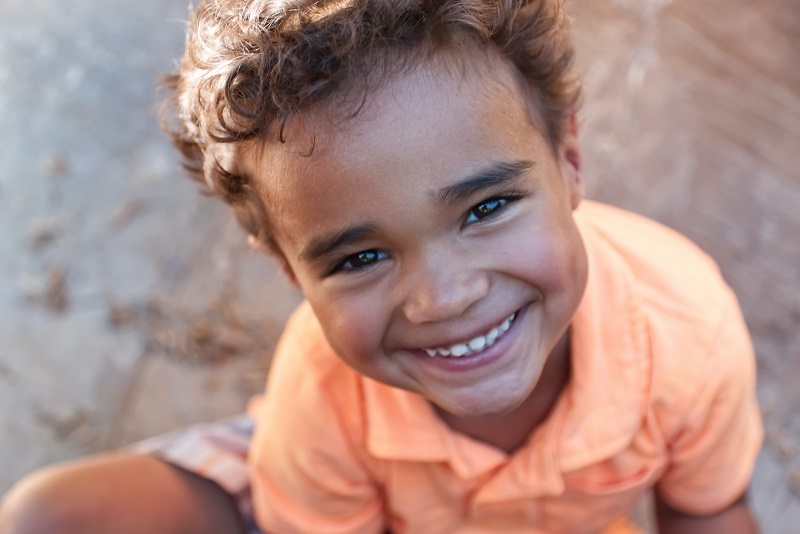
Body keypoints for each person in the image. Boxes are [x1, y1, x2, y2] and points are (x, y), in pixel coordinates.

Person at [0, 0, 763, 532]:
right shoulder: (324, 391)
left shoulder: (684, 333)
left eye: (486, 208)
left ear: (569, 163)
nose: (443, 297)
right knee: (54, 519)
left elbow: (706, 511)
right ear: (293, 274)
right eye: (360, 257)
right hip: (332, 488)